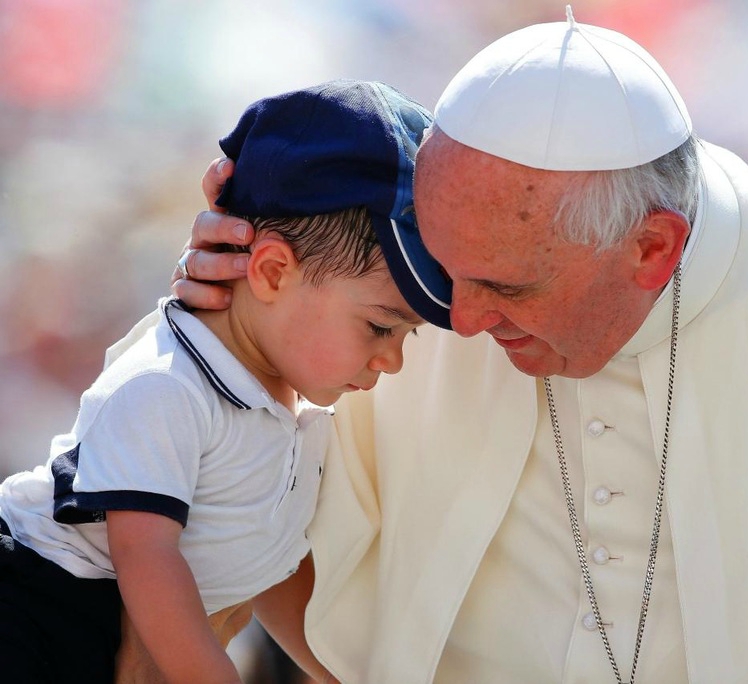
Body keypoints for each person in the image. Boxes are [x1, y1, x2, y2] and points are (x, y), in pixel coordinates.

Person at [167, 9, 748, 684]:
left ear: (652, 249)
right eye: (444, 267)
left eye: (506, 288)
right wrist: (236, 311)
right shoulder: (406, 276)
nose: (456, 322)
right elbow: (205, 488)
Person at [0, 79, 450, 684]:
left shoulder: (287, 411)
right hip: (37, 605)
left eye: (407, 336)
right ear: (270, 271)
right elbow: (147, 562)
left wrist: (337, 673)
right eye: (379, 327)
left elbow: (266, 563)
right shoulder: (165, 387)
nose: (392, 360)